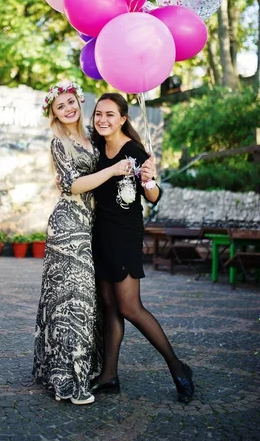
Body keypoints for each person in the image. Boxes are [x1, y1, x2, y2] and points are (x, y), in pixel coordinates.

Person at [89, 92, 194, 404]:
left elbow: (153, 196)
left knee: (130, 307)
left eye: (110, 114)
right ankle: (109, 376)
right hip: (101, 235)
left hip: (124, 236)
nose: (103, 120)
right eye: (98, 114)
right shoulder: (96, 148)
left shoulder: (133, 151)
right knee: (109, 306)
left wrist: (148, 180)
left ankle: (178, 367)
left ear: (123, 118)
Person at [32, 82, 131, 405]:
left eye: (71, 102)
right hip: (68, 227)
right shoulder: (58, 143)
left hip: (93, 227)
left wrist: (144, 165)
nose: (68, 109)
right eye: (61, 106)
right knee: (71, 302)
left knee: (92, 302)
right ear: (54, 113)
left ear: (79, 101)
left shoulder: (93, 134)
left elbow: (120, 141)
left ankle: (89, 367)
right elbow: (72, 185)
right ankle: (67, 379)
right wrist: (114, 170)